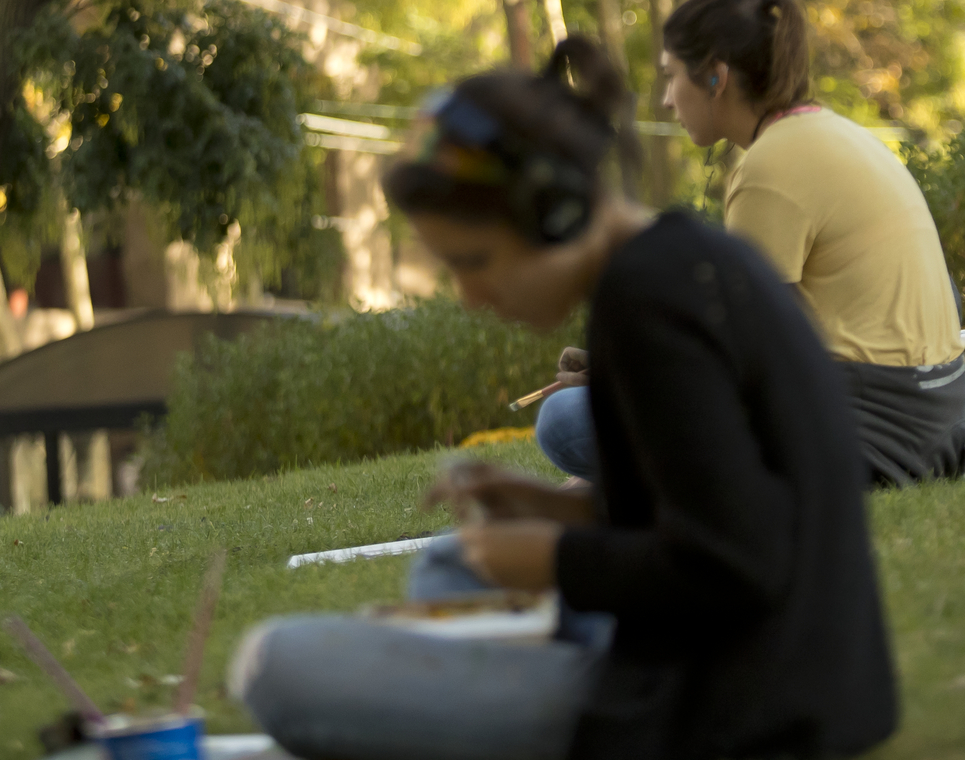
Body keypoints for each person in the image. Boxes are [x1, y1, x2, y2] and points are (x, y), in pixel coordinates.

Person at [231, 39, 899, 760]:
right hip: (783, 669)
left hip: (737, 707)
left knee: (275, 664)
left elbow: (739, 562)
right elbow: (708, 499)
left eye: (476, 260)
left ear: (553, 209)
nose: (472, 296)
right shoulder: (668, 264)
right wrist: (561, 508)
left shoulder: (651, 302)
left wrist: (556, 559)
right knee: (452, 567)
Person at [658, 0, 965, 483]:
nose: (665, 100)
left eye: (671, 76)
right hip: (943, 416)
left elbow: (759, 349)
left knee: (573, 421)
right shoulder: (832, 131)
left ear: (715, 76)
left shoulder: (768, 166)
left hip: (875, 429)